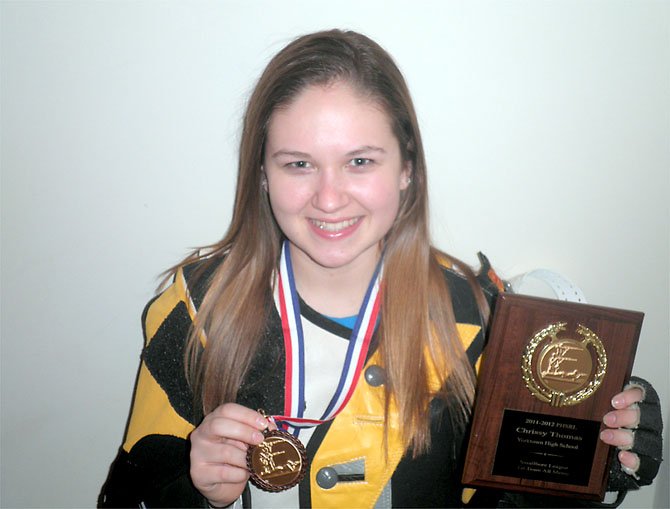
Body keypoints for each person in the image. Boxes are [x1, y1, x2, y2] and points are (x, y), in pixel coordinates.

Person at [98, 30, 662, 508]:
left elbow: (514, 494)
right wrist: (191, 488)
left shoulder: (478, 318)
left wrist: (595, 453)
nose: (329, 197)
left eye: (360, 161)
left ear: (407, 170)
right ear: (263, 175)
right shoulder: (199, 307)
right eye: (298, 164)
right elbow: (126, 493)